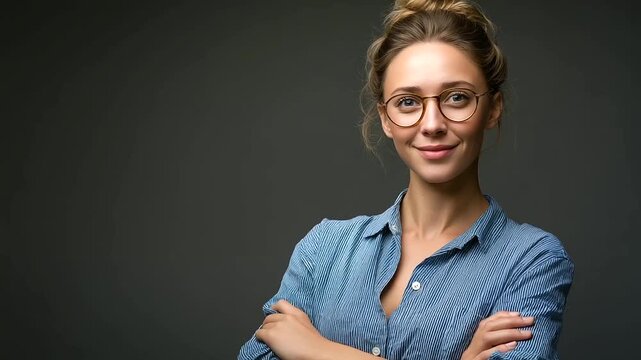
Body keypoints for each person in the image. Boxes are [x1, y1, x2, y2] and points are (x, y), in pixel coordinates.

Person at [238, 0, 574, 359]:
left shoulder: (531, 259)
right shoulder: (323, 249)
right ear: (385, 118)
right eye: (408, 102)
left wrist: (316, 350)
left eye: (457, 98)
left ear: (493, 108)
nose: (432, 124)